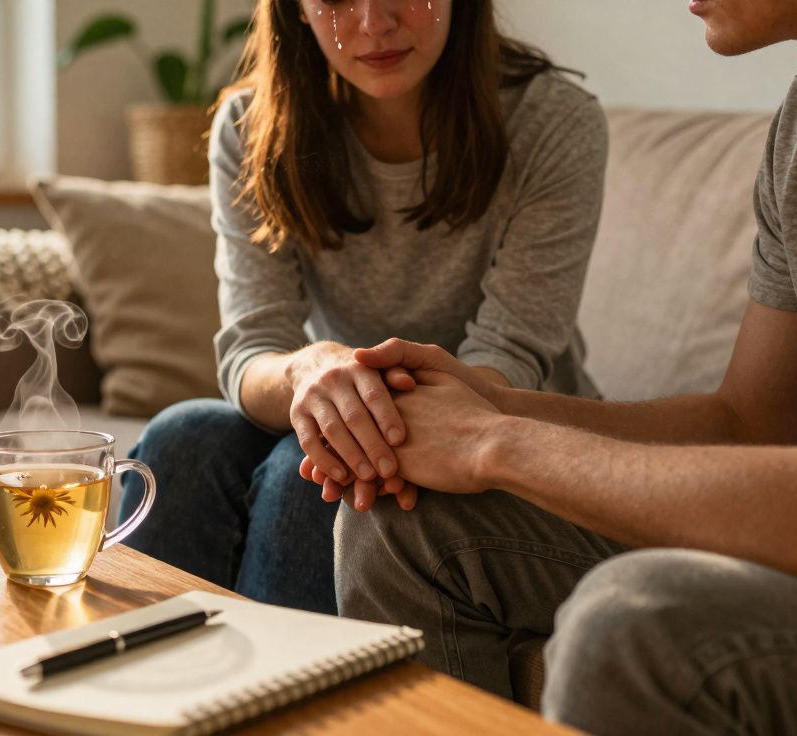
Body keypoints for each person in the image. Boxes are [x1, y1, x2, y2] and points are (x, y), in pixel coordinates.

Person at [318, 0, 797, 732]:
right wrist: (483, 406)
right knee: (408, 518)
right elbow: (751, 425)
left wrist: (487, 443)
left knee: (633, 631)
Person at [118, 0, 608, 615]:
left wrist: (361, 415)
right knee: (183, 438)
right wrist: (311, 370)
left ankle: (282, 701)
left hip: (499, 424)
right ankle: (133, 697)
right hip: (348, 410)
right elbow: (251, 350)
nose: (373, 23)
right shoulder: (252, 126)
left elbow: (507, 358)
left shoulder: (552, 121)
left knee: (314, 471)